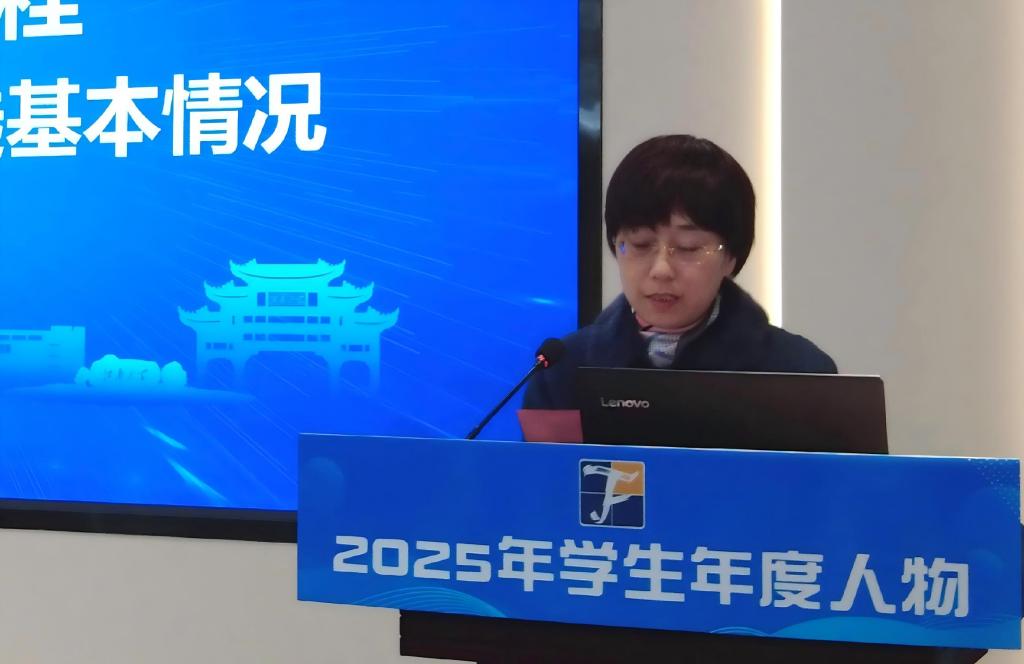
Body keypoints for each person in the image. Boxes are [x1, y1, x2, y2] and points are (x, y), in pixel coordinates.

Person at [524, 134, 836, 410]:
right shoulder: (563, 371)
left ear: (731, 257)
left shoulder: (800, 374)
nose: (661, 270)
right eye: (640, 244)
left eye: (688, 247)